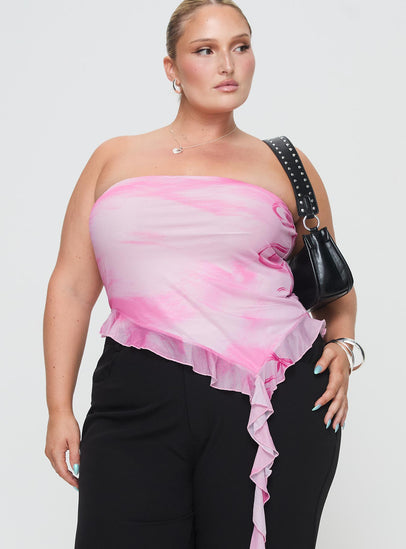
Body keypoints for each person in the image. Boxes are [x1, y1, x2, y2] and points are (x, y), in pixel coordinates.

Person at [43, 1, 359, 548]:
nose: (227, 65)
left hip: (271, 393)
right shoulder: (113, 158)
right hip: (136, 389)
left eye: (241, 47)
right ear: (172, 67)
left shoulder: (286, 163)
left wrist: (345, 344)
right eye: (205, 50)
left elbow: (333, 282)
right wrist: (57, 408)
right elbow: (71, 287)